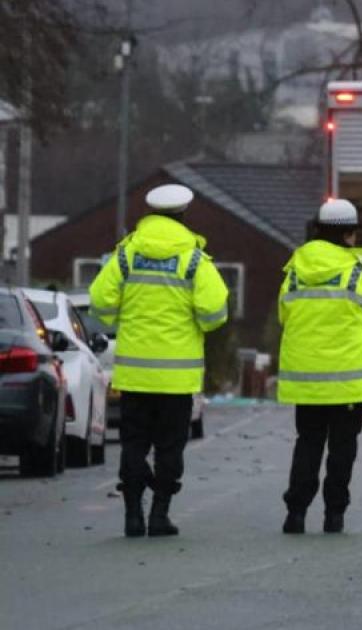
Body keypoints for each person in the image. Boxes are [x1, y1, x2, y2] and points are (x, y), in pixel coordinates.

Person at [90, 184, 230, 538]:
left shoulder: (126, 255)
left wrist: (125, 316)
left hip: (134, 373)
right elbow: (214, 313)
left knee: (134, 443)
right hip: (176, 377)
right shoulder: (194, 259)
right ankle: (159, 515)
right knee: (170, 447)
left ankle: (132, 516)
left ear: (149, 214)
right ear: (183, 215)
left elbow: (100, 304)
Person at [278, 198, 362, 535]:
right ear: (351, 234)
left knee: (308, 442)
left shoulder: (295, 270)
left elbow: (284, 315)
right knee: (343, 447)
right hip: (349, 380)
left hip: (307, 379)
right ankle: (334, 515)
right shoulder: (360, 271)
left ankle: (296, 512)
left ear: (319, 231)